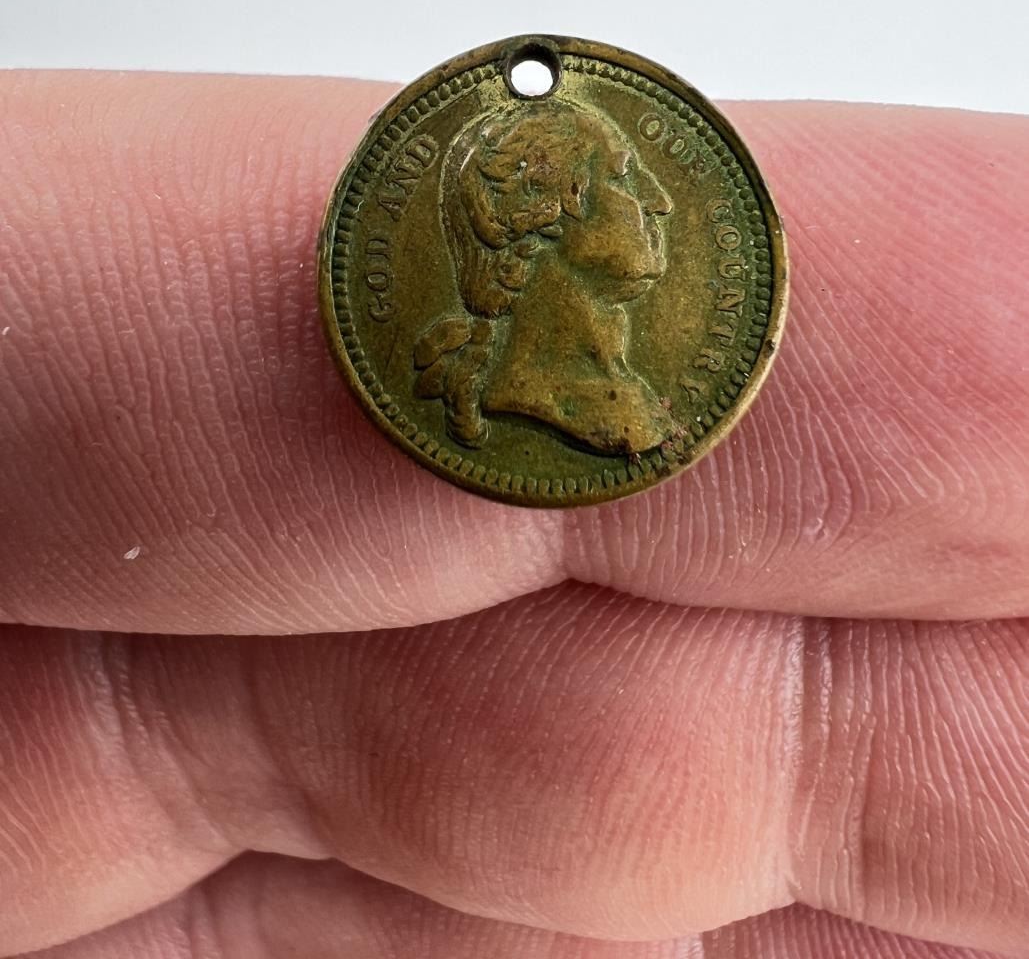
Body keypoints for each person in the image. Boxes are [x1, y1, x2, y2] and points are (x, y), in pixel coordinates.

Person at [0, 71, 1026, 959]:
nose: (657, 203)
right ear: (549, 216)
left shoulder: (633, 401)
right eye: (623, 179)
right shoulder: (527, 405)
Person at [415, 99, 677, 455]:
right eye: (622, 175)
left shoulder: (625, 386)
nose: (660, 202)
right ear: (555, 203)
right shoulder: (537, 394)